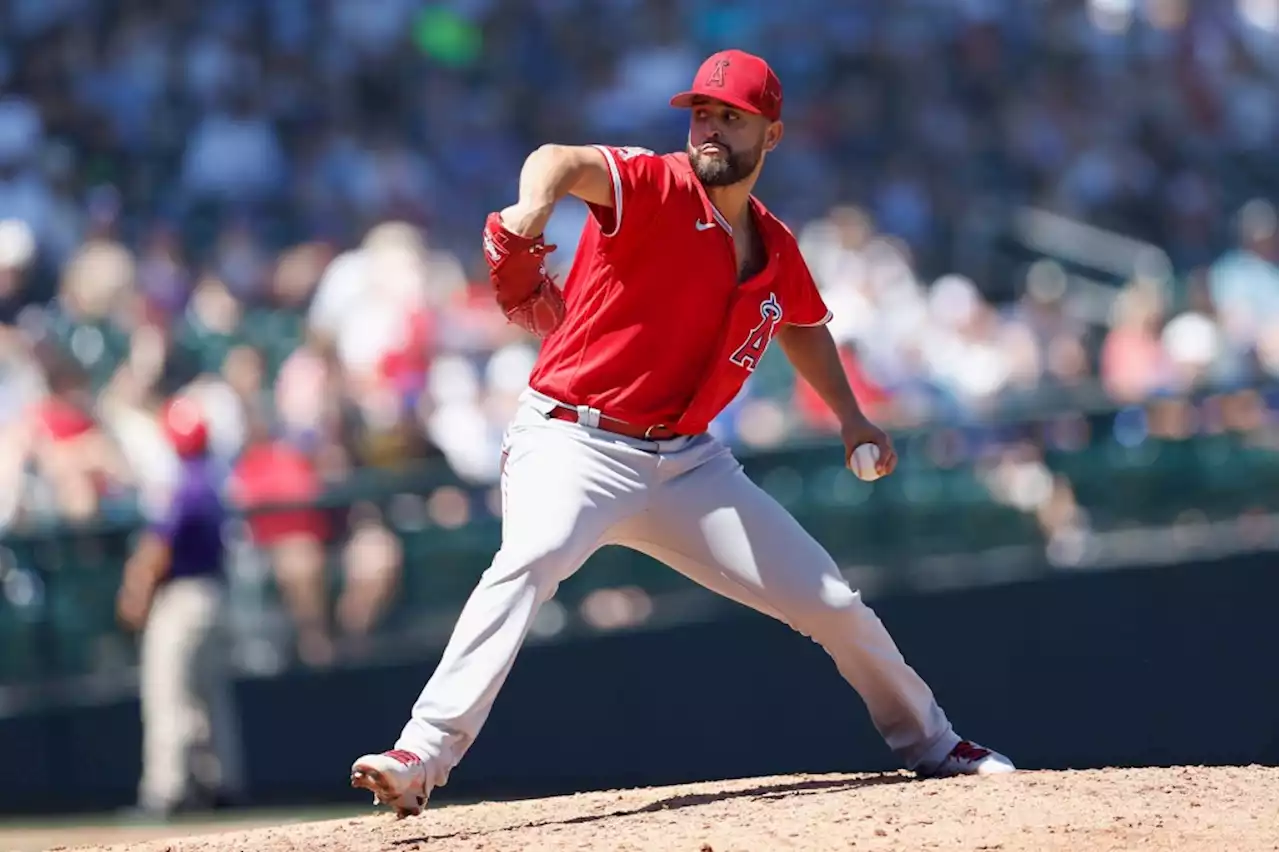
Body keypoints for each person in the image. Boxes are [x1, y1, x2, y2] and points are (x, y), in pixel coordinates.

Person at [351, 49, 1014, 818]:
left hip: (688, 463)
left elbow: (801, 324)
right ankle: (420, 754)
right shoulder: (654, 184)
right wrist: (532, 212)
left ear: (772, 136)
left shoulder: (772, 243)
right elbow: (557, 159)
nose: (709, 128)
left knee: (833, 602)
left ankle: (933, 742)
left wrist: (851, 414)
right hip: (575, 441)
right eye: (701, 112)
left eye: (730, 117)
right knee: (527, 562)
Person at [116, 396, 245, 817]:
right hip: (214, 594)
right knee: (209, 696)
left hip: (183, 597)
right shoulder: (212, 478)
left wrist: (135, 592)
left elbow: (158, 547)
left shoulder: (182, 485)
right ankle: (221, 785)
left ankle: (165, 792)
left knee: (168, 692)